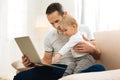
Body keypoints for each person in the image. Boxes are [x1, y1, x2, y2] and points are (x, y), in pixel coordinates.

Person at [13, 2, 105, 80]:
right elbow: (47, 61)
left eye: (57, 21)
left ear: (65, 14)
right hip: (59, 69)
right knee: (20, 77)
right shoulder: (49, 36)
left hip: (80, 67)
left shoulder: (84, 29)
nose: (56, 26)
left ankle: (72, 77)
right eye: (52, 23)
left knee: (100, 68)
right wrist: (32, 63)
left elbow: (98, 55)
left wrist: (91, 49)